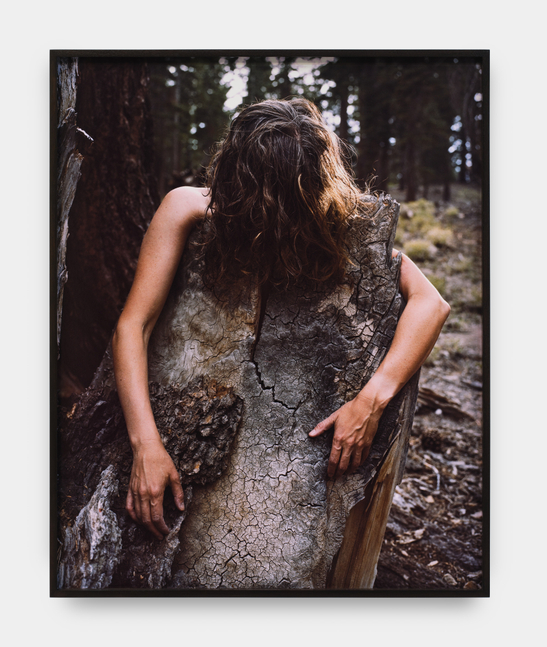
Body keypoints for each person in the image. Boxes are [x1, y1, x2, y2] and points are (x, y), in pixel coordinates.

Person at [112, 98, 450, 543]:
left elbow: (431, 303)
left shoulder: (338, 216)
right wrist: (145, 446)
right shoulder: (190, 207)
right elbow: (132, 327)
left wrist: (370, 401)